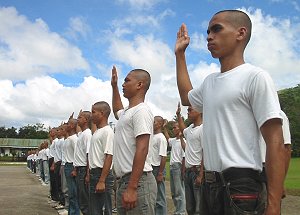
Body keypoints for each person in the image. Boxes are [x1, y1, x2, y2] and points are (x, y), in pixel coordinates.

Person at [175, 9, 286, 215]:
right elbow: (186, 98)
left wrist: (274, 204)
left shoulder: (255, 77)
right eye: (208, 31)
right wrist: (180, 55)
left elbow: (276, 142)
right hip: (210, 185)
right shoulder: (210, 82)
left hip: (242, 186)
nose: (209, 36)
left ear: (240, 33)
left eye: (216, 29)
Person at [111, 66, 157, 214]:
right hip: (126, 181)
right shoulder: (127, 112)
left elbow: (142, 148)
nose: (123, 84)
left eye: (127, 81)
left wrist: (132, 187)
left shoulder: (141, 111)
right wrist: (114, 87)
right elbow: (117, 111)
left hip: (137, 182)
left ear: (139, 85)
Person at [176, 103, 203, 215]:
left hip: (196, 171)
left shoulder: (203, 129)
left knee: (199, 208)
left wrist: (201, 175)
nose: (188, 112)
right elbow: (183, 128)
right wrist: (178, 115)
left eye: (190, 110)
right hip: (188, 172)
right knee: (190, 207)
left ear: (199, 111)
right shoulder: (190, 129)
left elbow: (205, 153)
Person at [88, 101, 115, 215]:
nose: (91, 115)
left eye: (93, 112)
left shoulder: (107, 132)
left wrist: (102, 180)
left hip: (101, 174)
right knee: (95, 209)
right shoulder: (97, 132)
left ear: (102, 113)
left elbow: (109, 156)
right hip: (94, 173)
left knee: (105, 209)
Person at [259, 110, 292, 198]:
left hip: (252, 168)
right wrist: (280, 183)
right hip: (268, 166)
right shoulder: (279, 114)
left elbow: (286, 149)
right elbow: (286, 149)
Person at [163, 121, 186, 215]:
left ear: (180, 128)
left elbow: (184, 157)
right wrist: (164, 128)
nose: (174, 129)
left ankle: (181, 211)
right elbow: (167, 138)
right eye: (173, 128)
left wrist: (183, 170)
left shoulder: (183, 141)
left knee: (179, 190)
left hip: (178, 166)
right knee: (174, 191)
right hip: (172, 166)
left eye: (175, 127)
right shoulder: (173, 141)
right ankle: (178, 210)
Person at [72, 111, 92, 215]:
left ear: (86, 120)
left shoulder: (87, 134)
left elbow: (88, 155)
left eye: (80, 117)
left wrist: (88, 174)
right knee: (81, 197)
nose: (77, 119)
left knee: (85, 199)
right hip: (79, 169)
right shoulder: (81, 134)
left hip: (84, 169)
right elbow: (77, 129)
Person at [151, 116, 168, 215]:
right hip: (151, 167)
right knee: (153, 195)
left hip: (157, 168)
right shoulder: (152, 136)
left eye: (154, 122)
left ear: (160, 124)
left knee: (160, 196)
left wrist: (160, 173)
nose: (152, 123)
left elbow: (163, 157)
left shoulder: (161, 138)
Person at [64, 118, 80, 215]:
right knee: (70, 193)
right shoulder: (69, 139)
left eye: (68, 124)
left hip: (71, 166)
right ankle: (71, 212)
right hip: (67, 165)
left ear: (73, 126)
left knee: (73, 193)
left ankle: (75, 212)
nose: (66, 126)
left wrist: (75, 169)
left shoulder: (74, 139)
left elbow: (76, 155)